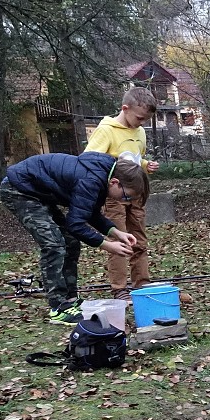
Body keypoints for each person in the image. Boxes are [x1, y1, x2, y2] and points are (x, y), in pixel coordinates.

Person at [0, 153, 146, 324]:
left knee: (71, 242)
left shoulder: (101, 177)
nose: (124, 201)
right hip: (19, 190)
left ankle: (70, 299)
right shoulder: (92, 180)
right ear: (115, 182)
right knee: (54, 245)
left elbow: (87, 212)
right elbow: (76, 224)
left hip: (38, 192)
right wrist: (107, 245)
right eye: (126, 196)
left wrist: (116, 233)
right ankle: (58, 307)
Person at [85, 86, 159, 300]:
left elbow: (136, 159)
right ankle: (119, 288)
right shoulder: (106, 130)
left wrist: (146, 165)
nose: (141, 122)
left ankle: (141, 283)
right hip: (114, 196)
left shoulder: (140, 132)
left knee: (139, 239)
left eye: (145, 119)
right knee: (119, 240)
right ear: (124, 108)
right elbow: (91, 160)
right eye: (139, 118)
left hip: (136, 196)